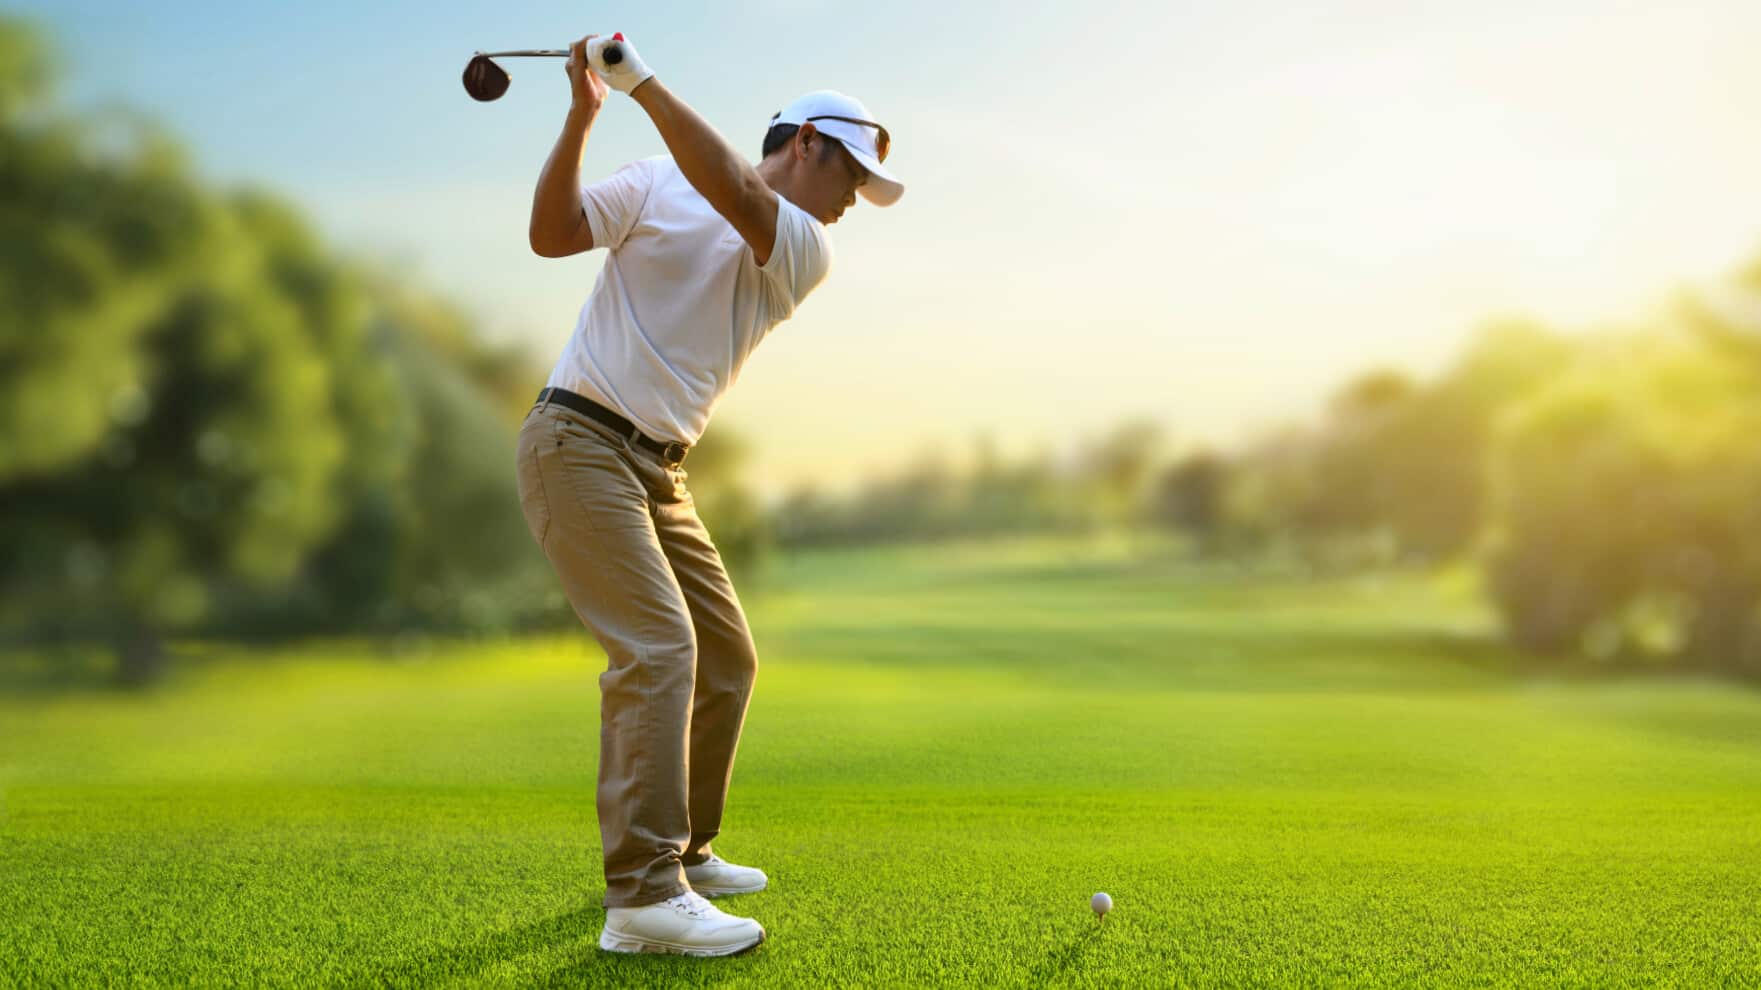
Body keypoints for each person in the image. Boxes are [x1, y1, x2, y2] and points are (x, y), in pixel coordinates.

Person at [514, 33, 903, 957]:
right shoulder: (656, 178)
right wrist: (582, 117)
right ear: (805, 141)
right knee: (659, 648)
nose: (855, 201)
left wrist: (640, 80)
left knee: (725, 658)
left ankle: (682, 853)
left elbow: (736, 191)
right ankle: (643, 898)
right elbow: (552, 235)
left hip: (659, 469)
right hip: (577, 440)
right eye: (850, 173)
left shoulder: (802, 243)